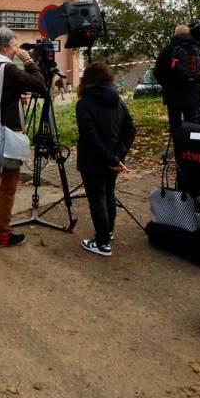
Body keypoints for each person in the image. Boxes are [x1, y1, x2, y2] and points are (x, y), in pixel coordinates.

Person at [0, 27, 48, 247]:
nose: (17, 50)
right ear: (5, 47)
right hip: (6, 133)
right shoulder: (8, 68)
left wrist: (12, 97)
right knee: (8, 184)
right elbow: (39, 84)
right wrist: (29, 61)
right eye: (15, 46)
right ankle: (3, 233)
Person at [75, 63, 136, 257]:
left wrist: (113, 158)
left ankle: (102, 243)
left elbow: (89, 137)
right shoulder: (118, 101)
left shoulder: (84, 103)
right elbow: (130, 129)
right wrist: (117, 156)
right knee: (108, 195)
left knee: (97, 199)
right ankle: (107, 232)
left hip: (93, 161)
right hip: (112, 160)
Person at [153, 24, 200, 139]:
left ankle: (178, 147)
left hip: (173, 95)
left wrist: (167, 84)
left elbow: (157, 72)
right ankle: (192, 147)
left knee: (175, 125)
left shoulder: (168, 50)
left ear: (175, 34)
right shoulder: (198, 49)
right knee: (192, 125)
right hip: (193, 94)